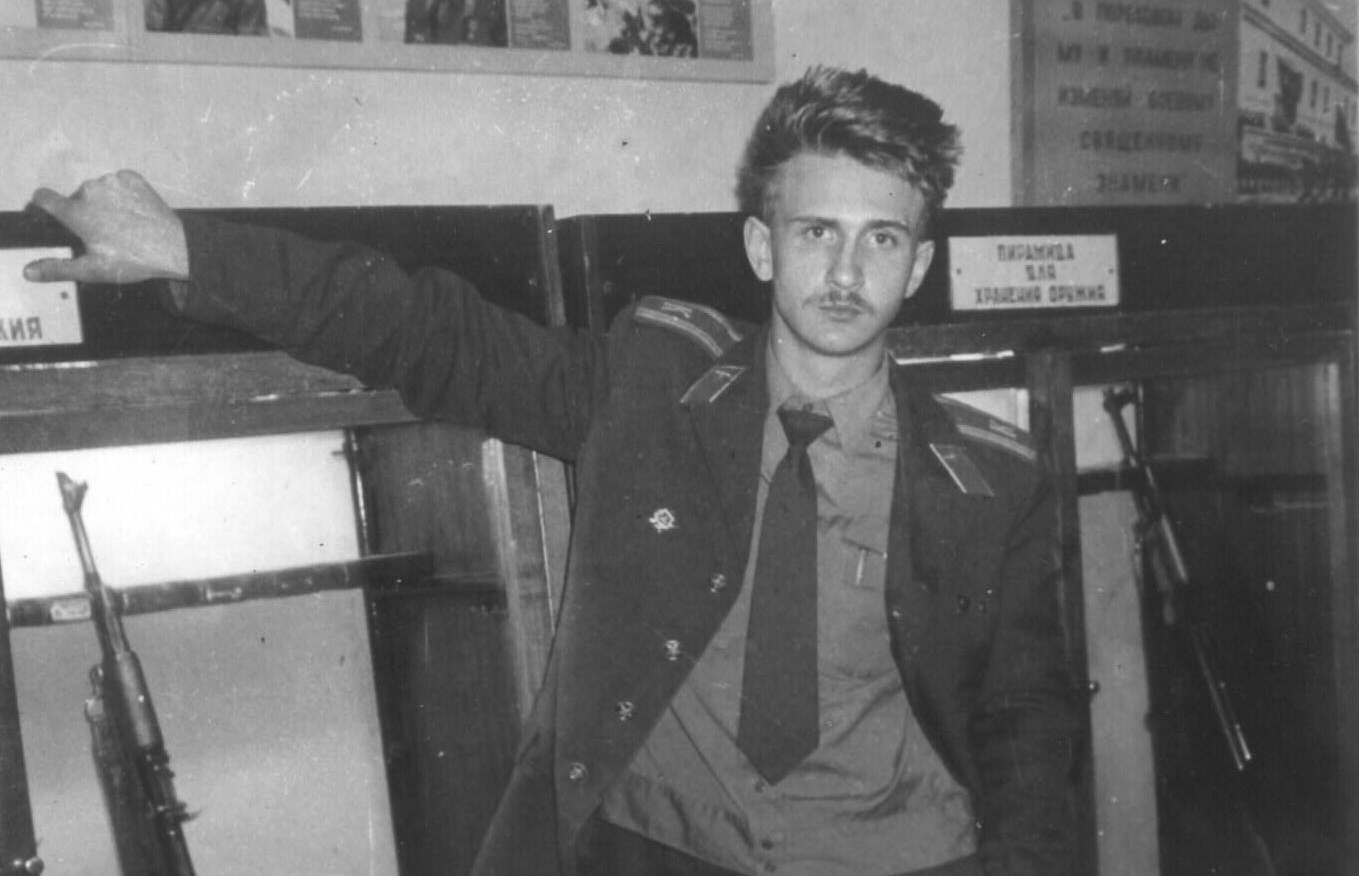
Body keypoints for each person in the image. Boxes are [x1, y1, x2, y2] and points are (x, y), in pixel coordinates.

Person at [24, 66, 1081, 875]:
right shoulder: (649, 386)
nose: (846, 271)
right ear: (762, 247)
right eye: (817, 232)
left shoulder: (988, 484)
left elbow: (1029, 726)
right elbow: (426, 332)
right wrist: (193, 252)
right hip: (657, 851)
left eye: (882, 239)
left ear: (920, 262)